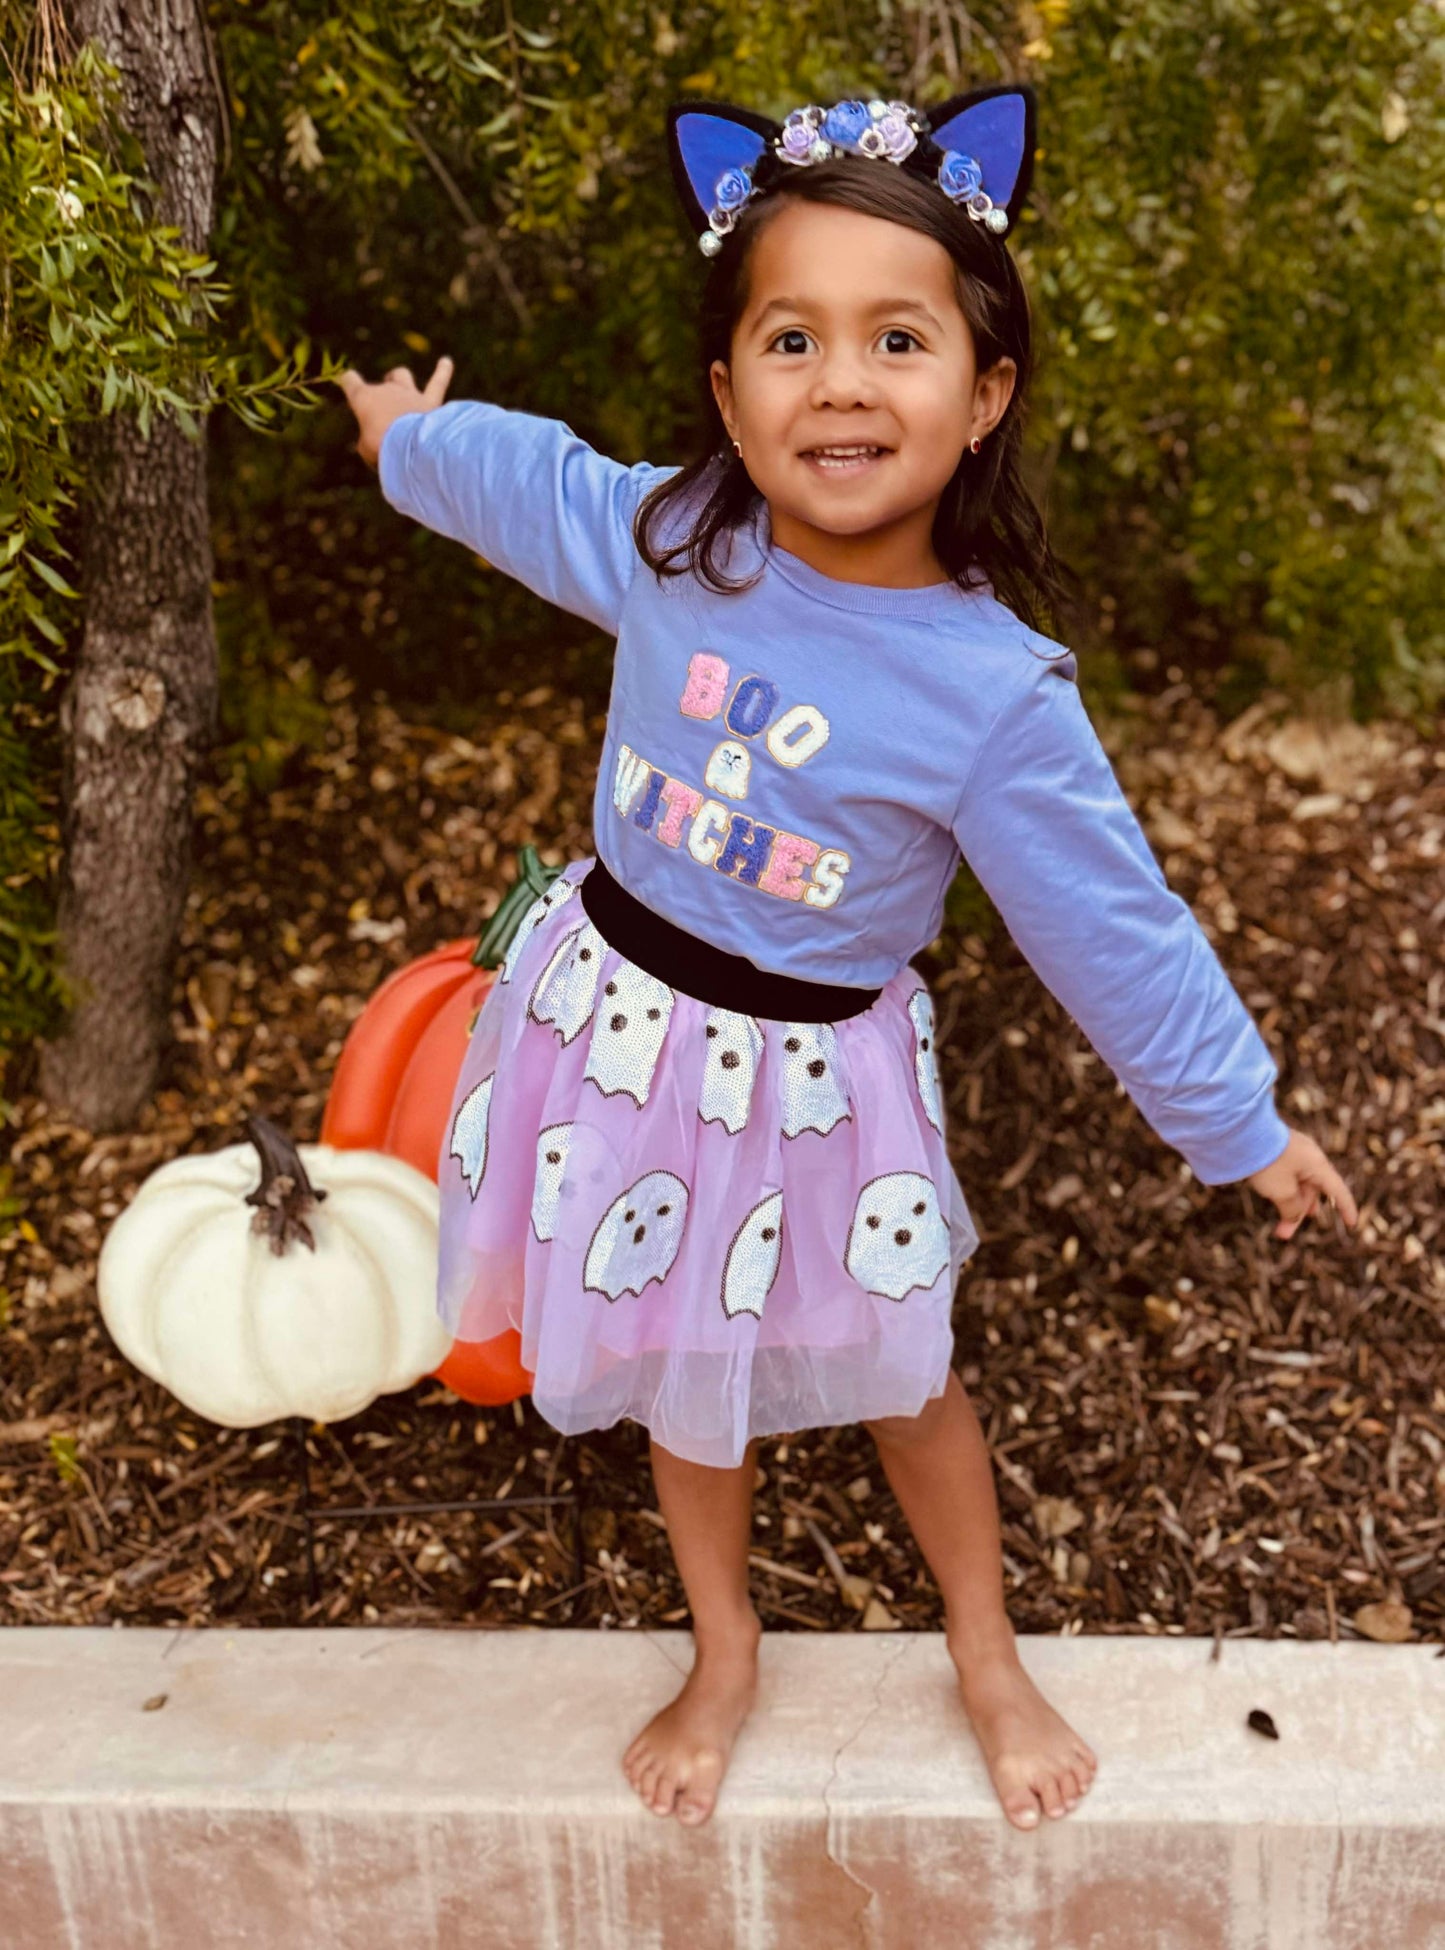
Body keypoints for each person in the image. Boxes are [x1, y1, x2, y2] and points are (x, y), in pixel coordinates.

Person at [338, 84, 1357, 1836]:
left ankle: (983, 1647)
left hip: (812, 1083)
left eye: (898, 339)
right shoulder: (679, 544)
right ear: (729, 395)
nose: (841, 381)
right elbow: (535, 484)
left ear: (985, 397)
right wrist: (406, 445)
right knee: (680, 1366)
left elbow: (1111, 928)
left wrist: (1236, 1125)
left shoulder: (988, 697)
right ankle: (722, 1645)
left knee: (905, 1374)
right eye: (789, 338)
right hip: (625, 1040)